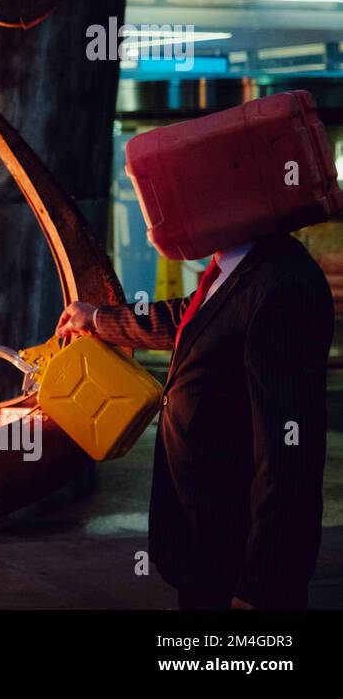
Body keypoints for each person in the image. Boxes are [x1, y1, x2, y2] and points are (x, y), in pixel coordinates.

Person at [56, 233, 331, 609]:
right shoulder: (238, 267)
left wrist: (261, 587)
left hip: (237, 555)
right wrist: (98, 319)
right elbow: (188, 318)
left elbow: (289, 457)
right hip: (206, 542)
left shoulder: (283, 285)